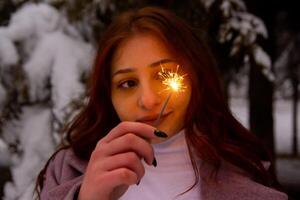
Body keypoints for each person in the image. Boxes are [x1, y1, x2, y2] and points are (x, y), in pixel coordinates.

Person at [35, 6, 288, 200]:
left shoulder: (244, 170)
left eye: (164, 75)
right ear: (107, 94)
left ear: (196, 77)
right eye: (128, 83)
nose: (148, 100)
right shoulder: (68, 170)